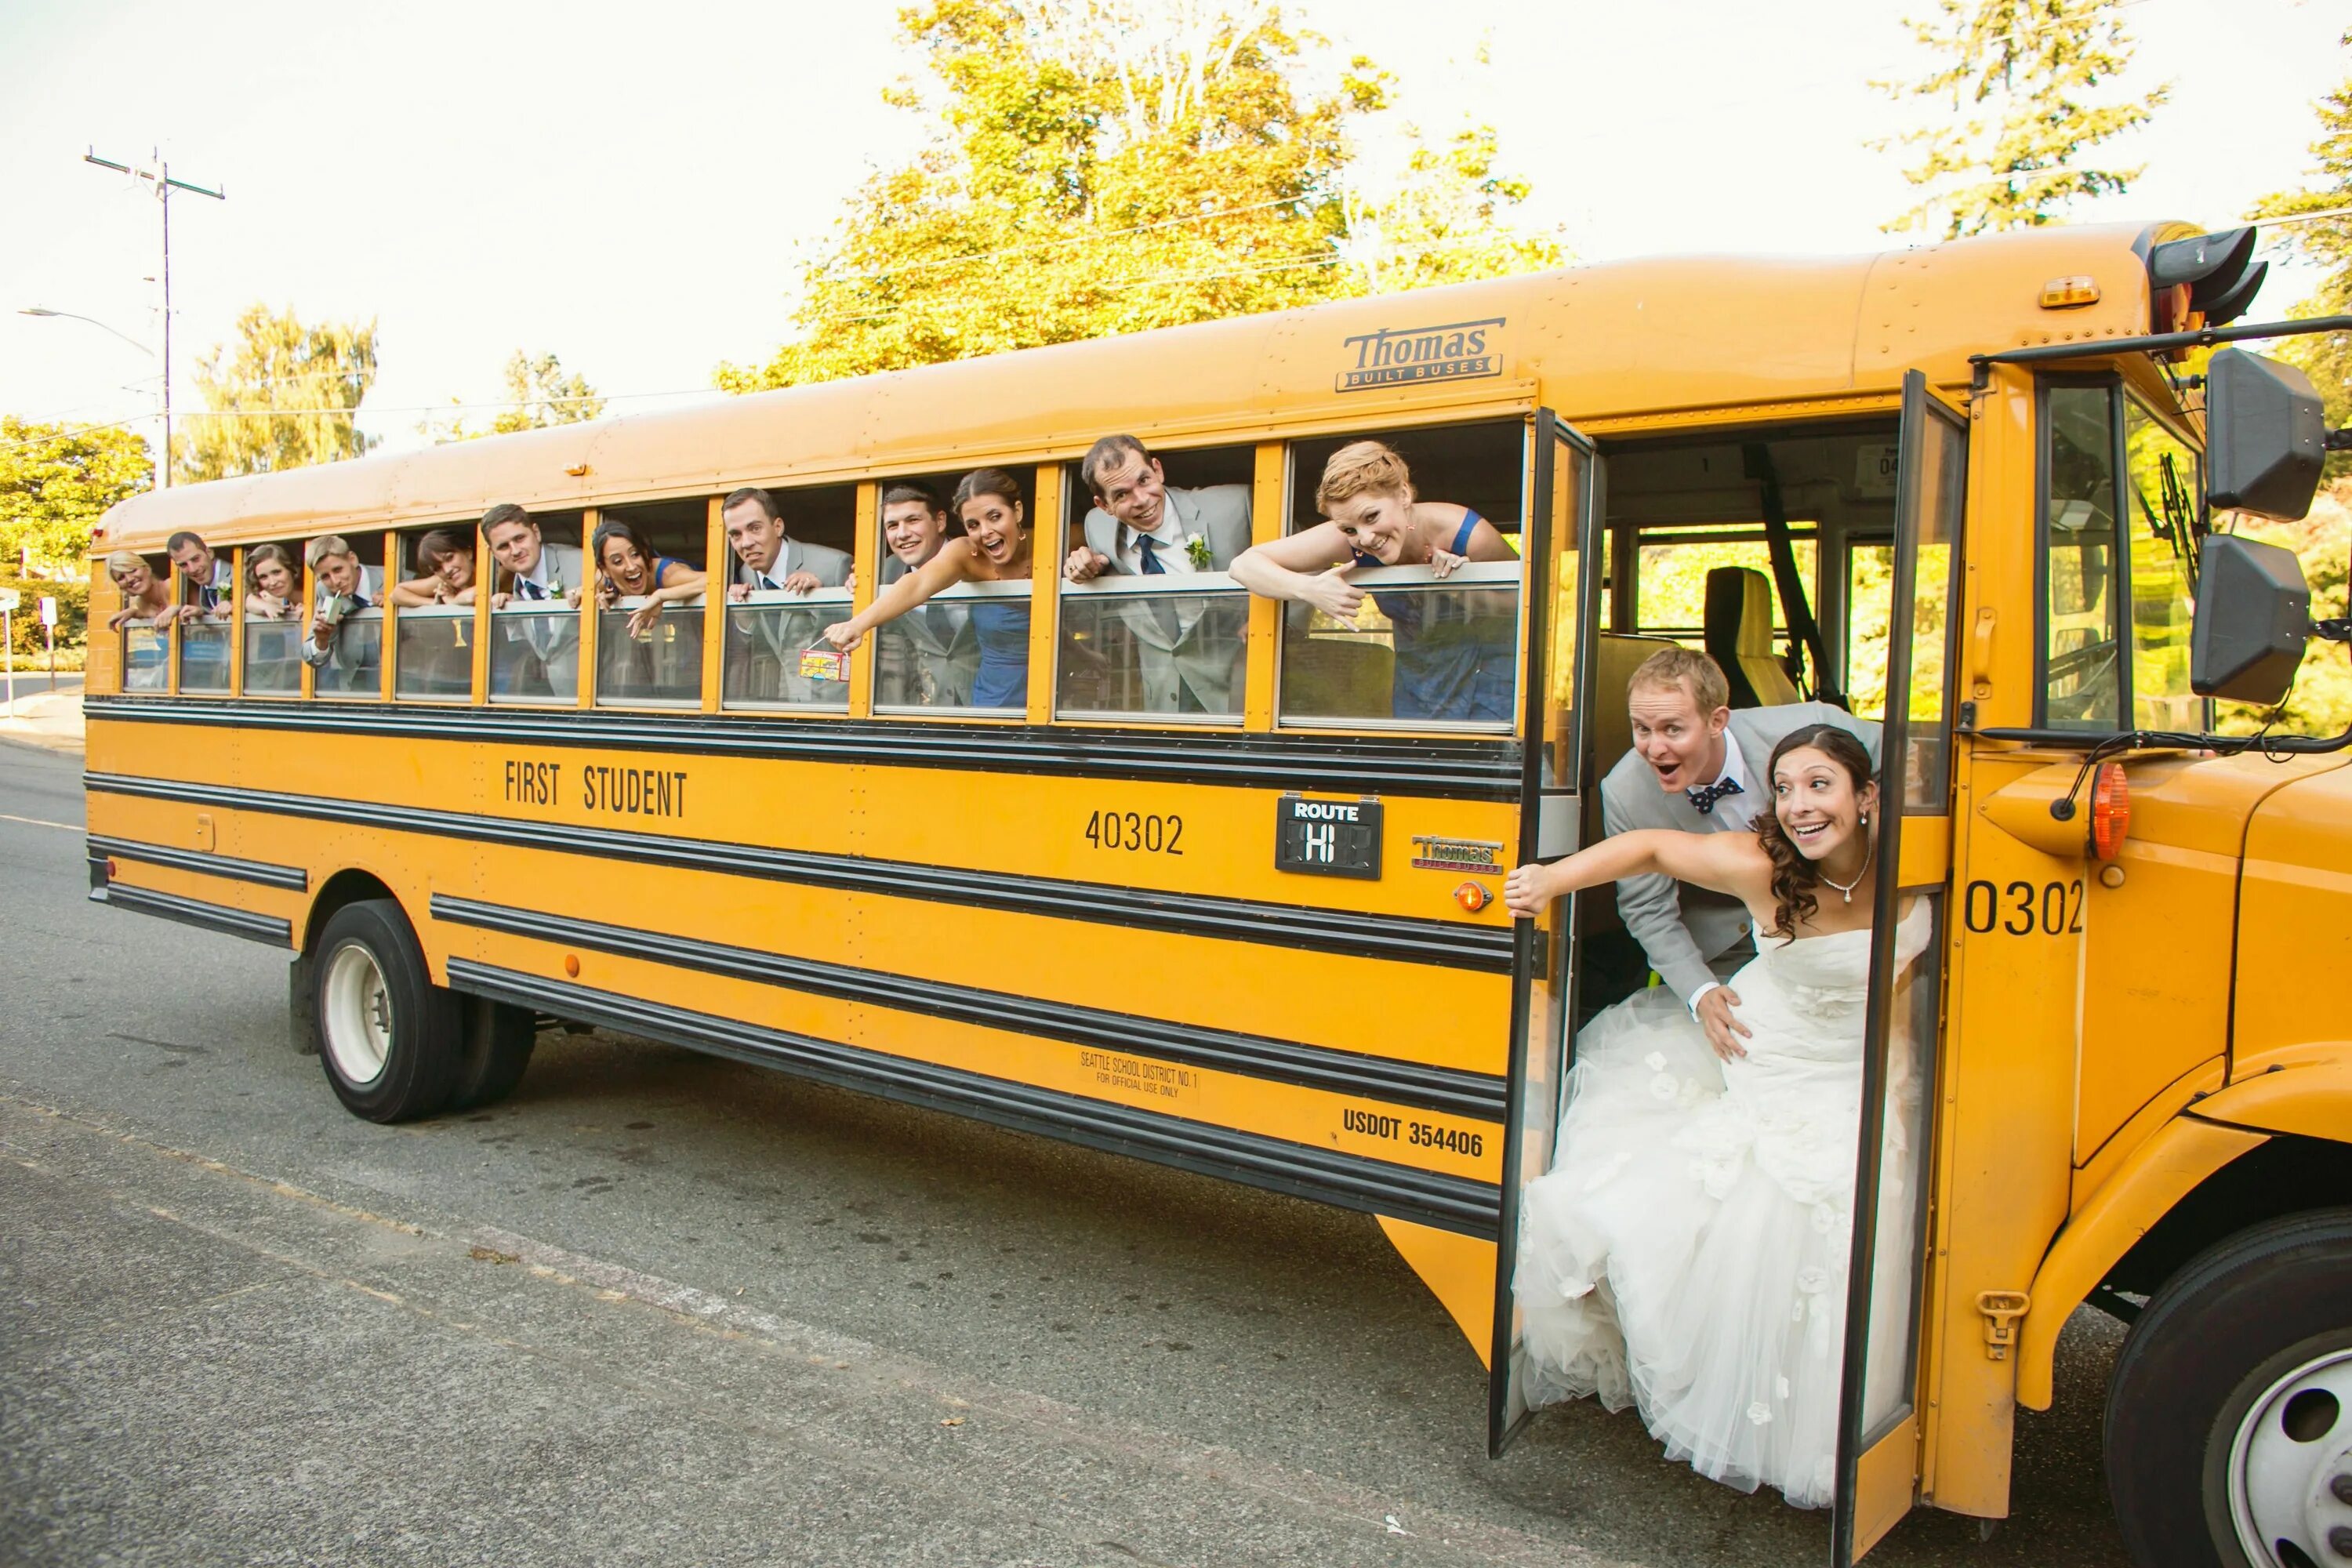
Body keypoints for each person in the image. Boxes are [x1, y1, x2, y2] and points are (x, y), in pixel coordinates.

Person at [1502, 724, 1930, 1510]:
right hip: (1781, 1061)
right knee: (1756, 1226)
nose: (1801, 804)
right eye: (1787, 786)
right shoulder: (1766, 864)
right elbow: (1654, 849)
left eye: (1821, 784)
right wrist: (1551, 879)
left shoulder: (1921, 859)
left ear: (1867, 795)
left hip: (1873, 1067)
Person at [1602, 648, 1878, 1061]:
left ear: (1717, 721)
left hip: (1842, 941)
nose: (1654, 748)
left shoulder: (1815, 727)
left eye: (1672, 729)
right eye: (1641, 729)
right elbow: (1647, 908)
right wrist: (1702, 993)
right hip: (1727, 955)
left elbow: (1910, 759)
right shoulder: (1624, 790)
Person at [1229, 440, 1519, 722]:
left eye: (1372, 516)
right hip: (1418, 677)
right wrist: (1310, 589)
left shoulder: (1469, 535)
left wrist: (1463, 587)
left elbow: (1525, 605)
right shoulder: (1351, 538)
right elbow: (1243, 566)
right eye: (1349, 529)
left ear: (1404, 494)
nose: (1365, 539)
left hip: (1489, 674)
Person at [1061, 434, 1251, 713]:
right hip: (1164, 697)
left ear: (1158, 470)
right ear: (1104, 506)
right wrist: (1079, 567)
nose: (1141, 500)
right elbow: (1093, 575)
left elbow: (1307, 563)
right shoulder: (1097, 528)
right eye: (1121, 495)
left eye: (1144, 480)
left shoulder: (1233, 506)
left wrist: (1271, 627)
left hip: (1237, 688)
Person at [822, 468, 1032, 710]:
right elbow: (918, 584)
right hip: (992, 699)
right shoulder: (965, 553)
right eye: (973, 525)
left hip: (1059, 695)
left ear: (1017, 511)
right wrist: (856, 624)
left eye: (994, 517)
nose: (985, 531)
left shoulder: (1059, 540)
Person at [873, 482, 980, 707]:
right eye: (892, 525)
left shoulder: (977, 556)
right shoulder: (883, 572)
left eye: (913, 521)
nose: (902, 534)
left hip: (994, 704)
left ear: (940, 521)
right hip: (930, 707)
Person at [481, 504, 582, 698]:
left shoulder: (580, 563)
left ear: (536, 532)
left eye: (520, 538)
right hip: (556, 701)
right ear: (493, 553)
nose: (515, 550)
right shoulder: (517, 591)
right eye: (503, 546)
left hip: (605, 698)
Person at [720, 487, 852, 597]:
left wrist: (818, 598)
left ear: (778, 527)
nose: (746, 543)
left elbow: (859, 623)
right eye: (736, 535)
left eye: (755, 529)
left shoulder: (836, 566)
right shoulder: (746, 572)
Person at [592, 517, 706, 637]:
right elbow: (585, 590)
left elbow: (715, 580)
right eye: (618, 561)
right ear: (605, 569)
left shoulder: (667, 574)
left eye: (635, 554)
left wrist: (661, 595)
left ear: (645, 553)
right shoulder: (602, 581)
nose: (631, 567)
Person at [300, 535, 383, 684]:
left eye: (338, 570)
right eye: (325, 576)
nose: (335, 581)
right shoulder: (325, 591)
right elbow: (312, 659)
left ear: (352, 559)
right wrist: (321, 639)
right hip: (353, 684)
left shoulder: (393, 578)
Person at [387, 529, 480, 608]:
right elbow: (396, 594)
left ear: (468, 553)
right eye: (438, 568)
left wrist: (453, 601)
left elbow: (476, 594)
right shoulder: (443, 581)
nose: (447, 570)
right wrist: (434, 603)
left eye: (449, 558)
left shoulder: (491, 570)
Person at [165, 531, 234, 622]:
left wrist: (234, 606)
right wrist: (201, 612)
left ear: (209, 553)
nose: (193, 569)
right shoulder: (206, 581)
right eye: (183, 565)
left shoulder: (237, 575)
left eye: (196, 559)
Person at [104, 551, 173, 631]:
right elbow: (145, 613)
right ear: (120, 587)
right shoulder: (142, 604)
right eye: (121, 578)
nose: (130, 579)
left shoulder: (171, 586)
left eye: (133, 570)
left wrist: (176, 609)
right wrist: (132, 612)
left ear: (147, 568)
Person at [243, 543, 303, 619]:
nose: (272, 582)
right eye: (263, 577)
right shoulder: (278, 598)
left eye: (277, 572)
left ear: (292, 569)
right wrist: (266, 607)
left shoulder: (316, 593)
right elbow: (250, 601)